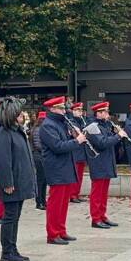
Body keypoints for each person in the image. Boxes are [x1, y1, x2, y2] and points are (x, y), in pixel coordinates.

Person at [0, 97, 36, 261]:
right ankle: (7, 251)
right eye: (19, 114)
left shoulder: (16, 131)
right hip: (12, 183)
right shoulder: (4, 134)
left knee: (15, 217)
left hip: (20, 181)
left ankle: (13, 248)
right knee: (10, 217)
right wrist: (7, 182)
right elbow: (3, 161)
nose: (22, 116)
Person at [39, 96, 87, 245]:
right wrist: (76, 141)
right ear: (52, 109)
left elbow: (65, 142)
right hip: (57, 168)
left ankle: (61, 230)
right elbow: (58, 146)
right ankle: (53, 234)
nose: (64, 111)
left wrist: (73, 135)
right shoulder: (48, 125)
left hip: (65, 166)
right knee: (55, 203)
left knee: (64, 203)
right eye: (61, 108)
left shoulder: (61, 123)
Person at [84, 102, 126, 229]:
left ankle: (102, 215)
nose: (108, 115)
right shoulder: (92, 127)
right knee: (97, 192)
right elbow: (102, 143)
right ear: (99, 113)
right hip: (98, 162)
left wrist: (116, 133)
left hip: (106, 161)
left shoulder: (105, 125)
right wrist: (118, 136)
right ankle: (96, 218)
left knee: (103, 192)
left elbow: (110, 142)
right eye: (106, 112)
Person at [68, 102, 89, 203]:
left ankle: (77, 193)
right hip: (75, 151)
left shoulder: (82, 121)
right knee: (75, 174)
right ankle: (72, 194)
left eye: (81, 110)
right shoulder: (71, 121)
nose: (80, 112)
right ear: (73, 111)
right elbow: (74, 135)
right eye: (78, 110)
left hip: (82, 151)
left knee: (80, 174)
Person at [31, 111, 47, 210]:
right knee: (40, 180)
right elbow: (38, 145)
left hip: (41, 156)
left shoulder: (39, 128)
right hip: (38, 156)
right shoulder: (38, 129)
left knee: (44, 180)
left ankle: (43, 201)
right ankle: (39, 202)